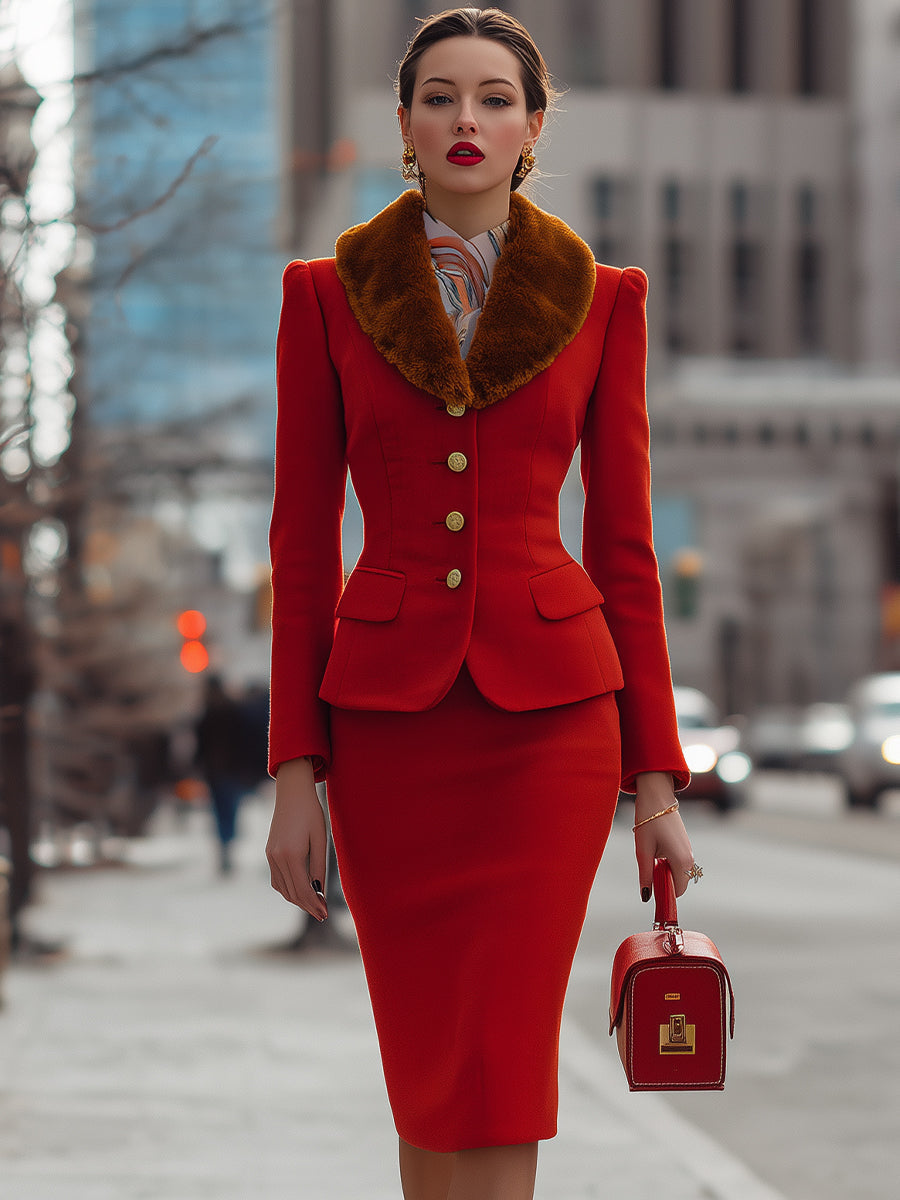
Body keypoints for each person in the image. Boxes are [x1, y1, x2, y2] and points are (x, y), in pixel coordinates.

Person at [265, 9, 697, 1198]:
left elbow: (625, 550)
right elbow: (303, 547)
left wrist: (651, 782)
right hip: (388, 732)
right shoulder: (324, 293)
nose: (468, 120)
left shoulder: (603, 298)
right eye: (441, 96)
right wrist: (294, 776)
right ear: (404, 121)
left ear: (533, 125)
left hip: (553, 726)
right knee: (426, 1058)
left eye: (496, 98)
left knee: (503, 1054)